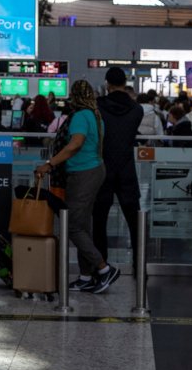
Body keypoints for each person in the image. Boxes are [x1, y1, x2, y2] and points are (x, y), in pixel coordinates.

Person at [34, 79, 120, 293]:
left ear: (74, 96)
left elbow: (75, 144)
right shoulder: (95, 115)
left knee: (72, 225)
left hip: (83, 173)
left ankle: (103, 268)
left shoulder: (81, 116)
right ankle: (85, 275)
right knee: (83, 225)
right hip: (94, 170)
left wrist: (49, 163)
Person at [95, 67, 144, 271]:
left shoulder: (97, 107)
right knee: (134, 222)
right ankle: (139, 266)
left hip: (103, 169)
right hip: (126, 169)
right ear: (125, 83)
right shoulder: (137, 110)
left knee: (99, 221)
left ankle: (101, 267)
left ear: (107, 84)